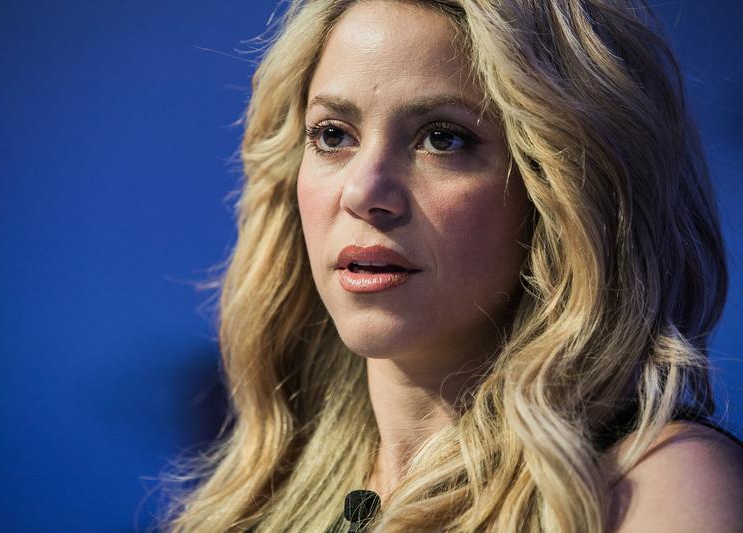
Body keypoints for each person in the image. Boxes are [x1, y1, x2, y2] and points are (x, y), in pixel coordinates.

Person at [163, 0, 743, 531]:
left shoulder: (653, 487)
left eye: (443, 138)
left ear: (564, 190)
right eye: (333, 134)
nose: (365, 190)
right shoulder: (253, 503)